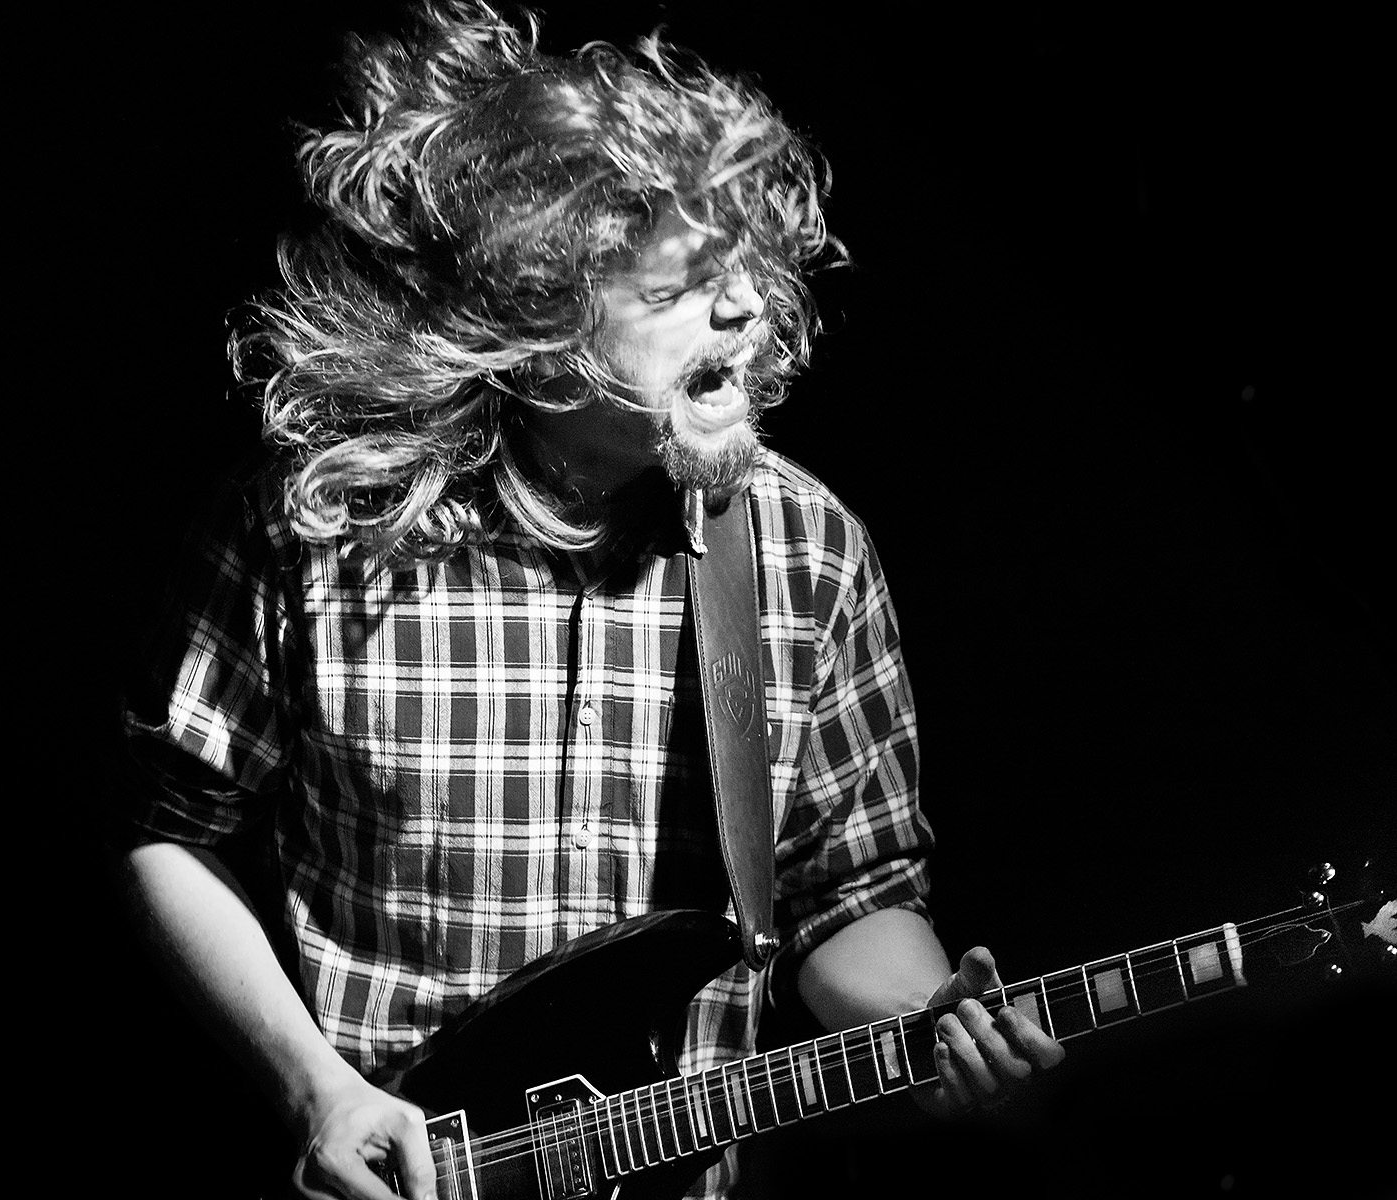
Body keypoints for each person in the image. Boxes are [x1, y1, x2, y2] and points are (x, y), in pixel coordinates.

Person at [114, 4, 1064, 1198]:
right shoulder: (316, 524)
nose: (745, 310)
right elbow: (167, 830)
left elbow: (848, 899)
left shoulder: (807, 551)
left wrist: (930, 1021)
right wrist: (317, 1091)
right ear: (537, 315)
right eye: (682, 291)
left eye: (746, 270)